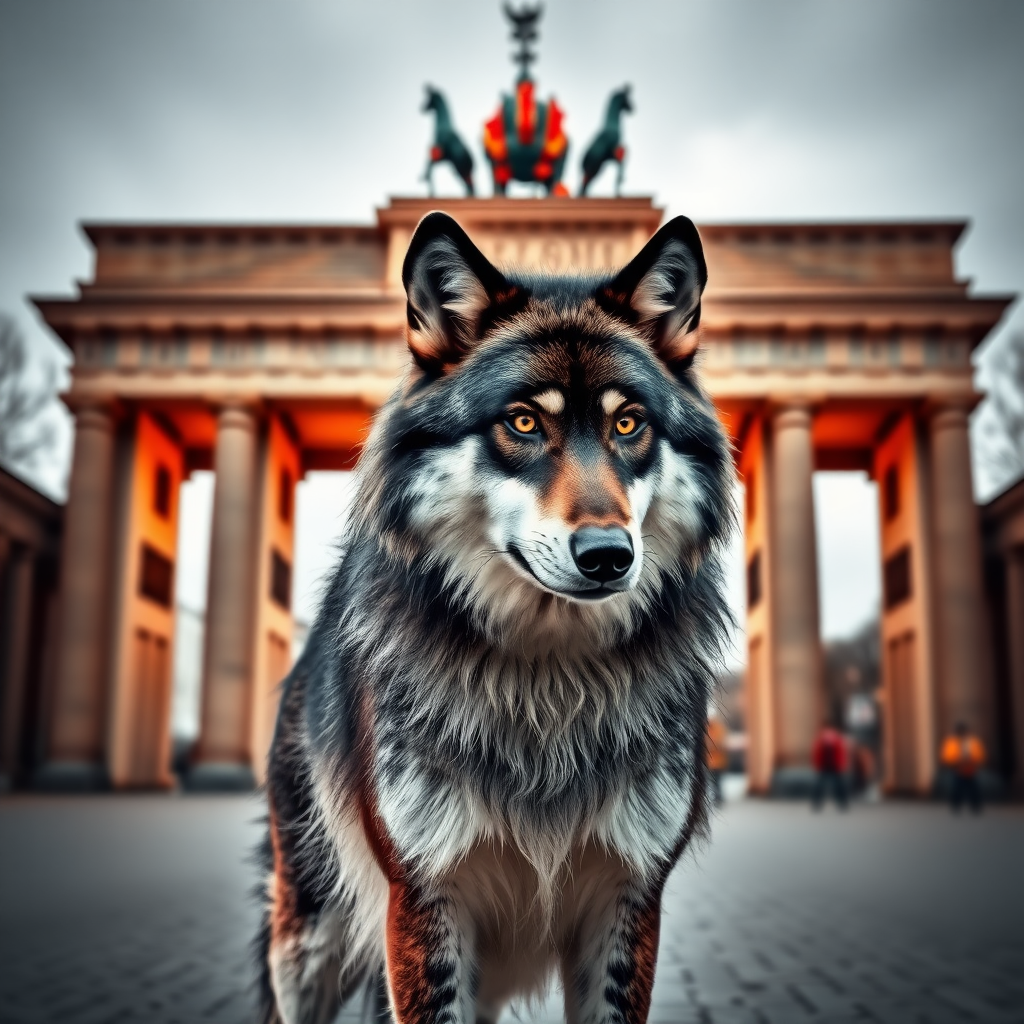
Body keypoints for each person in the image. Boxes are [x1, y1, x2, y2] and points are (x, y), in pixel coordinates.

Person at [940, 722, 985, 813]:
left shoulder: (972, 741)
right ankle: (956, 806)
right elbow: (947, 755)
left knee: (974, 789)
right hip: (957, 768)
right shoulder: (952, 741)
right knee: (957, 789)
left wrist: (973, 760)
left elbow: (979, 754)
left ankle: (976, 806)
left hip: (970, 767)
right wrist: (955, 761)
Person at [811, 720, 848, 810]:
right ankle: (817, 803)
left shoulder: (834, 739)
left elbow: (841, 753)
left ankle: (841, 803)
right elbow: (816, 753)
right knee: (821, 786)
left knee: (837, 786)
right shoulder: (822, 739)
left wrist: (842, 764)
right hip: (826, 765)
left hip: (832, 765)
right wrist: (817, 765)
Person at [706, 712, 728, 806]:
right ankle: (716, 798)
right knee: (712, 782)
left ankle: (718, 799)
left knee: (717, 782)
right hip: (709, 762)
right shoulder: (706, 728)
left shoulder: (718, 728)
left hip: (717, 762)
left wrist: (710, 745)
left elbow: (720, 743)